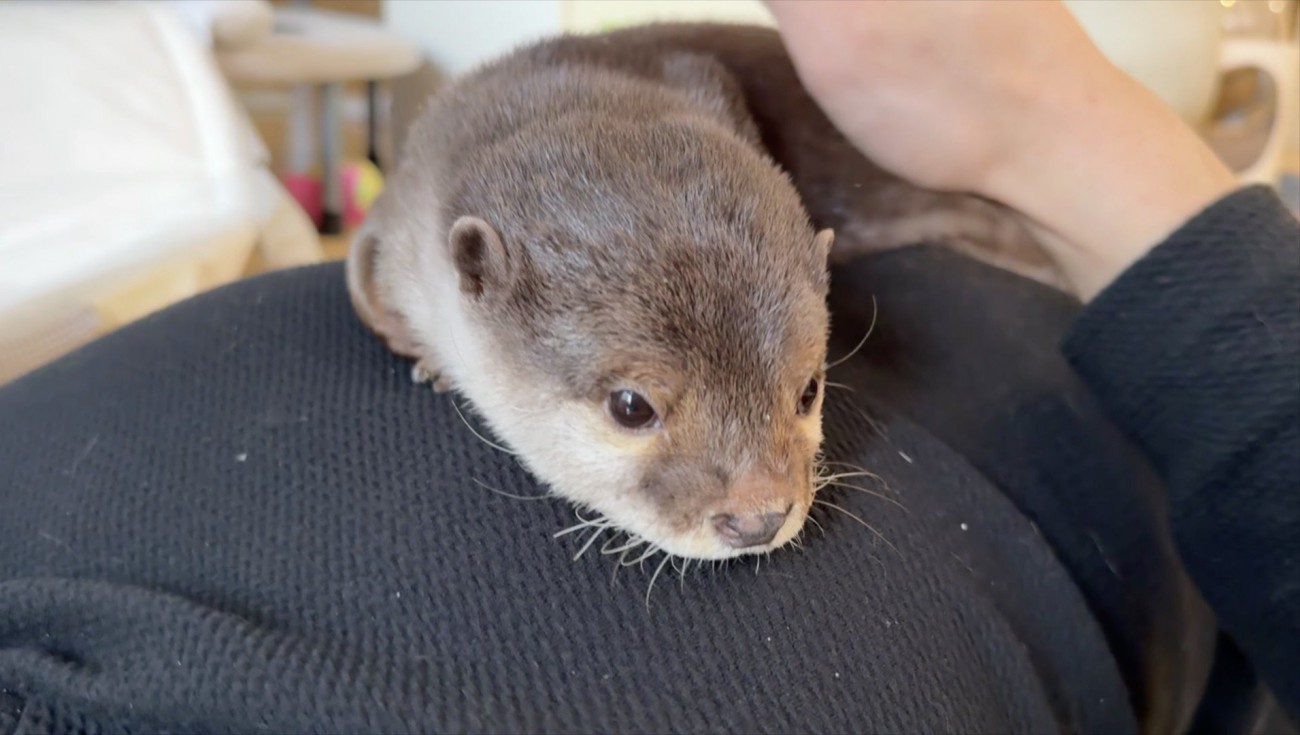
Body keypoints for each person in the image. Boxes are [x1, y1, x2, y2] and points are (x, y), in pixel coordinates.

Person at [0, 2, 1295, 734]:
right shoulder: (441, 240)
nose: (761, 499)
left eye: (802, 401)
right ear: (465, 276)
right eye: (636, 410)